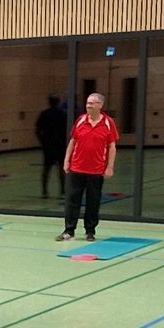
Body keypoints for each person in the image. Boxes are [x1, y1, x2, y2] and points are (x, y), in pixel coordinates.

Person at [58, 93, 117, 242]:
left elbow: (112, 147)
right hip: (77, 169)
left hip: (96, 170)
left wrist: (109, 167)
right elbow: (73, 142)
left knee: (93, 202)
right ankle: (69, 230)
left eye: (92, 103)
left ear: (100, 105)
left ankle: (90, 231)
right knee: (72, 201)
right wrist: (66, 161)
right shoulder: (80, 120)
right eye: (87, 103)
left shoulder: (108, 123)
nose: (88, 105)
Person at [35, 94, 68, 199]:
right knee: (61, 169)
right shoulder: (62, 114)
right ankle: (62, 191)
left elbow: (37, 130)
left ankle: (44, 191)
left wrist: (42, 142)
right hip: (60, 145)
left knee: (47, 168)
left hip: (48, 145)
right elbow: (68, 130)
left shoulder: (44, 114)